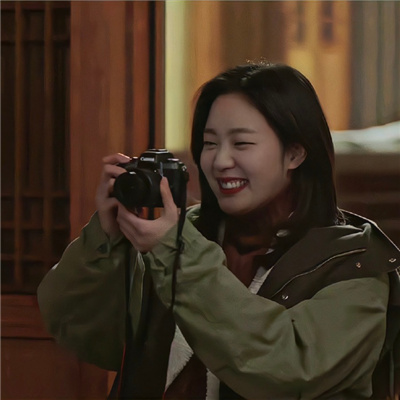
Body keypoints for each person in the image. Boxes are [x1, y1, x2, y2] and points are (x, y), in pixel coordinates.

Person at [37, 63, 400, 399]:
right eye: (210, 143)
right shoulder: (181, 234)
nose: (220, 161)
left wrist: (177, 255)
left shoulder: (353, 264)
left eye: (241, 143)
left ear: (295, 153)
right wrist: (105, 239)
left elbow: (287, 369)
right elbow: (87, 335)